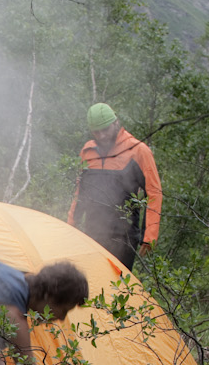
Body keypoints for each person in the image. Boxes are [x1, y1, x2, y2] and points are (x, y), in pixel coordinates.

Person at [67, 102, 162, 270]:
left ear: (116, 123)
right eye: (97, 131)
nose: (102, 135)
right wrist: (71, 223)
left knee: (117, 286)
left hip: (124, 236)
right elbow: (80, 191)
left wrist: (149, 235)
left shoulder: (138, 150)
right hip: (93, 231)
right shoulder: (88, 151)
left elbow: (154, 192)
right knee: (92, 282)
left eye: (106, 129)